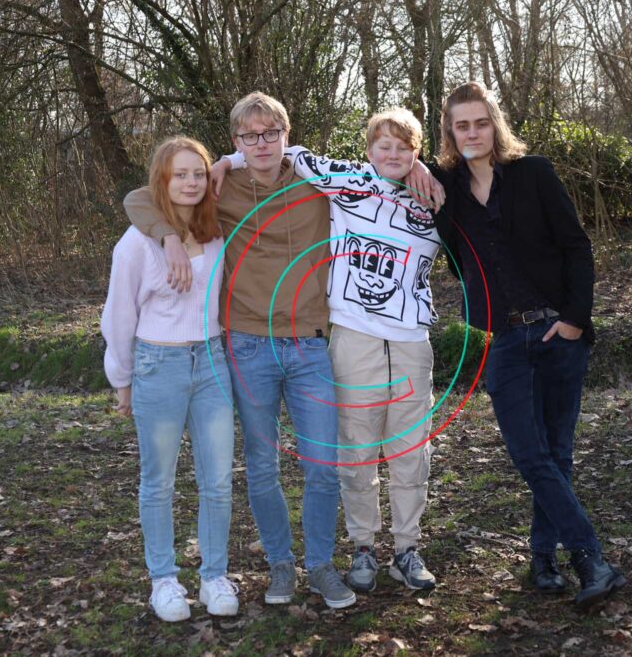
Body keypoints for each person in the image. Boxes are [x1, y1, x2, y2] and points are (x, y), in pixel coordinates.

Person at [123, 93, 356, 609]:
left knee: (323, 465)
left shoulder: (319, 183)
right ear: (236, 142)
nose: (262, 143)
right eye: (250, 136)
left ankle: (321, 564)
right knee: (262, 465)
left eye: (271, 133)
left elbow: (381, 175)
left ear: (286, 134)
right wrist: (167, 237)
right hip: (248, 345)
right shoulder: (221, 188)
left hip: (310, 345)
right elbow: (141, 198)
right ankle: (280, 564)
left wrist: (420, 171)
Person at [214, 108, 443, 593]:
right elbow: (287, 152)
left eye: (404, 147)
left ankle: (407, 547)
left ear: (418, 152)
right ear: (367, 149)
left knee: (410, 451)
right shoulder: (342, 181)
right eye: (383, 145)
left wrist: (423, 168)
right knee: (356, 450)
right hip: (350, 336)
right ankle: (363, 547)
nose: (393, 154)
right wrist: (225, 161)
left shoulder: (435, 196)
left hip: (410, 340)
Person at [432, 82, 627, 610]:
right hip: (505, 340)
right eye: (461, 125)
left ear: (494, 124)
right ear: (450, 132)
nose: (472, 133)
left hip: (557, 332)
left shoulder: (534, 173)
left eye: (480, 122)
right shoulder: (444, 188)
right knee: (528, 452)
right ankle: (591, 558)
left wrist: (574, 320)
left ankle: (545, 558)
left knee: (556, 451)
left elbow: (576, 246)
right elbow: (386, 163)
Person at [101, 137, 238, 622]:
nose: (191, 182)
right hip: (158, 364)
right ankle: (163, 580)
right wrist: (122, 380)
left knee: (217, 480)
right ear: (162, 180)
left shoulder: (216, 231)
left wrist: (231, 160)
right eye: (179, 174)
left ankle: (214, 576)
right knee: (159, 481)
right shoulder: (136, 244)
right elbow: (118, 317)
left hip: (212, 362)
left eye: (198, 173)